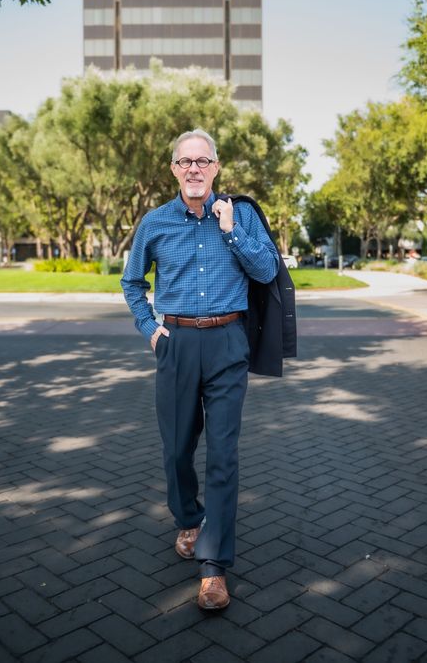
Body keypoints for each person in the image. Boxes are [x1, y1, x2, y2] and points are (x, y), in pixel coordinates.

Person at [121, 128, 280, 610]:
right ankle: (189, 518)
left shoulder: (242, 214)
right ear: (173, 169)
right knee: (176, 451)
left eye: (202, 160)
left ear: (216, 167)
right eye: (185, 161)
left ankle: (213, 567)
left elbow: (267, 271)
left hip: (228, 341)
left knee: (224, 455)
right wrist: (150, 328)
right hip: (176, 343)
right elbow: (131, 282)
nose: (194, 168)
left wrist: (231, 229)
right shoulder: (155, 222)